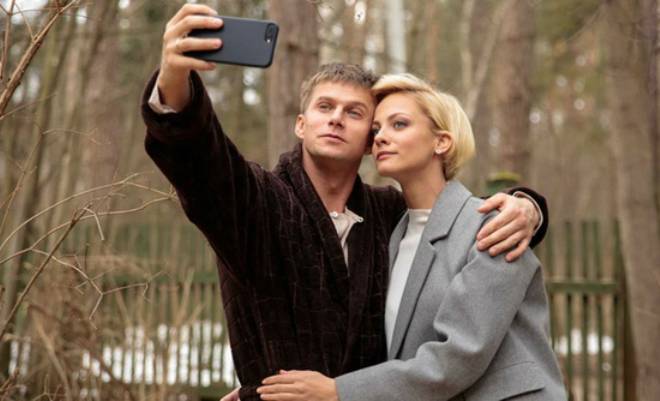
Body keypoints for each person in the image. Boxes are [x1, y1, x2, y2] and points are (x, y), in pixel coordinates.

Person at [142, 5, 549, 401]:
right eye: (325, 107)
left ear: (371, 142)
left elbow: (452, 219)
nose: (336, 118)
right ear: (301, 125)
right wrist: (174, 80)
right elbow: (203, 162)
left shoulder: (389, 214)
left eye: (355, 113)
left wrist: (528, 207)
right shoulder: (257, 202)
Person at [257, 74, 565, 401]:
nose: (381, 137)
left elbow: (460, 355)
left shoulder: (495, 227)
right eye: (376, 129)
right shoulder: (390, 232)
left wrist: (338, 392)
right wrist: (264, 386)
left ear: (441, 142)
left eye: (399, 124)